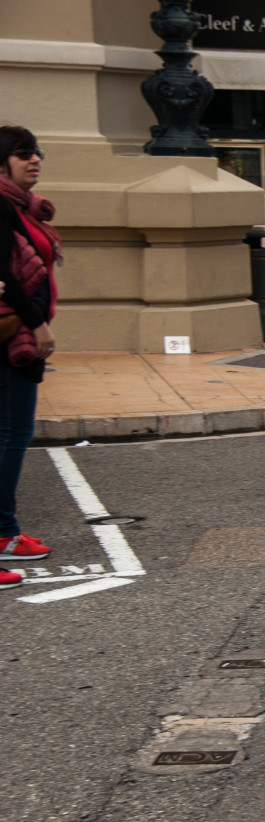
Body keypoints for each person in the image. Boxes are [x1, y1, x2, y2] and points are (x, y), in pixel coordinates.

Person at [0, 126, 58, 590]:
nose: (34, 159)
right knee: (10, 434)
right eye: (23, 154)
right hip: (10, 337)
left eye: (36, 152)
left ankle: (6, 533)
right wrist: (36, 322)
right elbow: (6, 276)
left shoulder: (23, 209)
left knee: (12, 433)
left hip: (16, 334)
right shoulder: (2, 207)